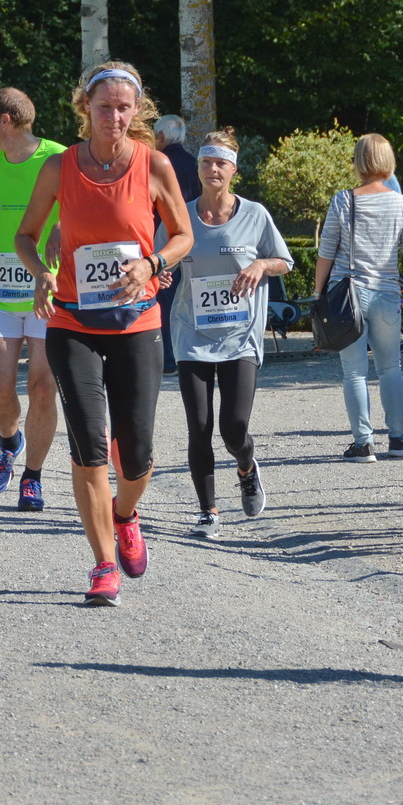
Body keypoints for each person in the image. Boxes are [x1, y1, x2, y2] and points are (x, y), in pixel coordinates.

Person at [22, 61, 192, 607]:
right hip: (72, 321)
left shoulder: (155, 164)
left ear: (135, 111)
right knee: (89, 446)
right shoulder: (59, 167)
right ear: (85, 109)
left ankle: (125, 513)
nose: (114, 116)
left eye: (124, 107)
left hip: (137, 321)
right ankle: (101, 565)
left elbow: (184, 235)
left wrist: (152, 262)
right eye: (104, 107)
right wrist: (42, 272)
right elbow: (27, 236)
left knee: (136, 456)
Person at [163, 128, 289, 538]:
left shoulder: (255, 215)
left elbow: (283, 261)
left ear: (233, 170)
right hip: (191, 334)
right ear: (198, 167)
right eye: (206, 162)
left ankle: (247, 467)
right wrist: (159, 274)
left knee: (233, 427)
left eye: (220, 163)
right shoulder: (180, 215)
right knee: (198, 427)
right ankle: (208, 510)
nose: (212, 169)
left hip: (241, 336)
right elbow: (158, 258)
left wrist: (259, 266)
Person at [0, 87, 65, 509]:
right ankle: (9, 441)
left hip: (49, 292)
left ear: (6, 122)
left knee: (43, 388)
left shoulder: (58, 158)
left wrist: (65, 227)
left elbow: (86, 208)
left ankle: (33, 475)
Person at [314, 134, 403, 462]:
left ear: (358, 162)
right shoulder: (401, 204)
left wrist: (319, 292)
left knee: (354, 371)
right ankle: (399, 437)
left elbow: (326, 251)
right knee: (391, 366)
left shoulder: (343, 200)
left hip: (348, 295)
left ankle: (363, 443)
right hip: (387, 293)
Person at [154, 114, 202, 374]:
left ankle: (168, 358)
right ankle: (189, 354)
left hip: (162, 242)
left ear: (160, 137)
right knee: (188, 299)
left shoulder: (156, 163)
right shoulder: (195, 164)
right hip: (192, 239)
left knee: (164, 298)